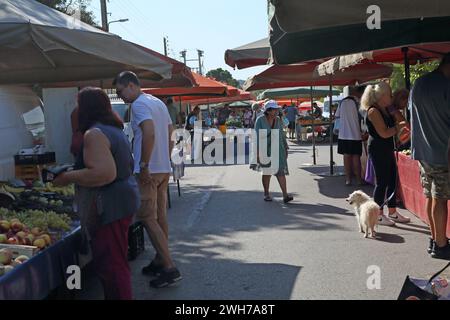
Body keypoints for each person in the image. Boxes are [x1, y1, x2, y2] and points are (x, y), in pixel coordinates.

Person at [54, 87, 140, 299]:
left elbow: (104, 173)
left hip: (109, 205)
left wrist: (67, 177)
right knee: (115, 262)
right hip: (123, 200)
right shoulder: (113, 128)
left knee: (112, 266)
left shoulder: (94, 133)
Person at [114, 71, 182, 287]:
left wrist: (144, 164)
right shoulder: (157, 102)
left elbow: (149, 133)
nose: (120, 96)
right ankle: (160, 259)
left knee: (147, 217)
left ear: (131, 86)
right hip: (162, 167)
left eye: (120, 91)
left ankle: (169, 267)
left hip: (149, 170)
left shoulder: (139, 105)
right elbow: (171, 131)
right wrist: (165, 157)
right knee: (160, 216)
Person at [410, 52, 450, 259]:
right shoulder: (445, 86)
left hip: (422, 151)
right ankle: (442, 245)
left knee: (430, 196)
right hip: (442, 152)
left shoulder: (419, 83)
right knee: (440, 199)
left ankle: (435, 240)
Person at [361, 82, 410, 226]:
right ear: (382, 96)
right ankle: (378, 213)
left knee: (392, 179)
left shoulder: (385, 108)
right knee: (382, 181)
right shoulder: (373, 111)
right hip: (378, 148)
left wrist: (396, 113)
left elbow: (402, 121)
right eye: (390, 94)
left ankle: (393, 212)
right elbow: (384, 132)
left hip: (386, 147)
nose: (392, 97)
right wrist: (398, 127)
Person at [252, 100, 293, 203]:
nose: (276, 111)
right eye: (274, 110)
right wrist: (257, 153)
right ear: (268, 111)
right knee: (267, 172)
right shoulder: (260, 120)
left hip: (278, 148)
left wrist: (286, 146)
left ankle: (285, 195)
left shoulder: (279, 120)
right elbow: (256, 137)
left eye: (276, 109)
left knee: (280, 171)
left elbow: (283, 131)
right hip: (264, 149)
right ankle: (266, 193)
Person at [335, 86, 365, 186]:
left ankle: (348, 179)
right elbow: (363, 117)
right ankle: (359, 180)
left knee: (346, 157)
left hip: (343, 135)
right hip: (356, 134)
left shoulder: (342, 102)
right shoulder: (358, 102)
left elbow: (337, 116)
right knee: (356, 157)